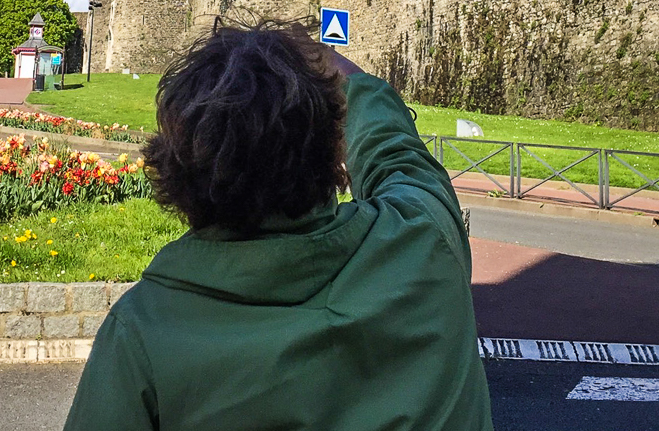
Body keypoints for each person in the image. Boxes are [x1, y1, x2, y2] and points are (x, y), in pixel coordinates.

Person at [63, 22, 492, 431]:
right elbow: (396, 153)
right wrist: (334, 68)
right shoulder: (424, 242)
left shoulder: (143, 333)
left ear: (176, 172)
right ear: (332, 152)